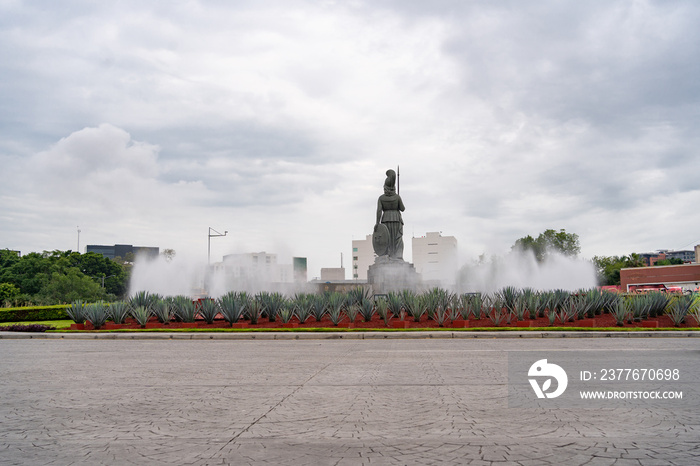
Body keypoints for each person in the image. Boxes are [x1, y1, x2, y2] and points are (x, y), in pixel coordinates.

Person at [375, 169, 405, 260]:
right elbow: (402, 209)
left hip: (385, 220)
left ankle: (389, 255)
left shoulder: (381, 198)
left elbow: (379, 211)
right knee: (397, 239)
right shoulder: (397, 197)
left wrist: (377, 223)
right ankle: (398, 255)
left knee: (387, 239)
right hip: (396, 219)